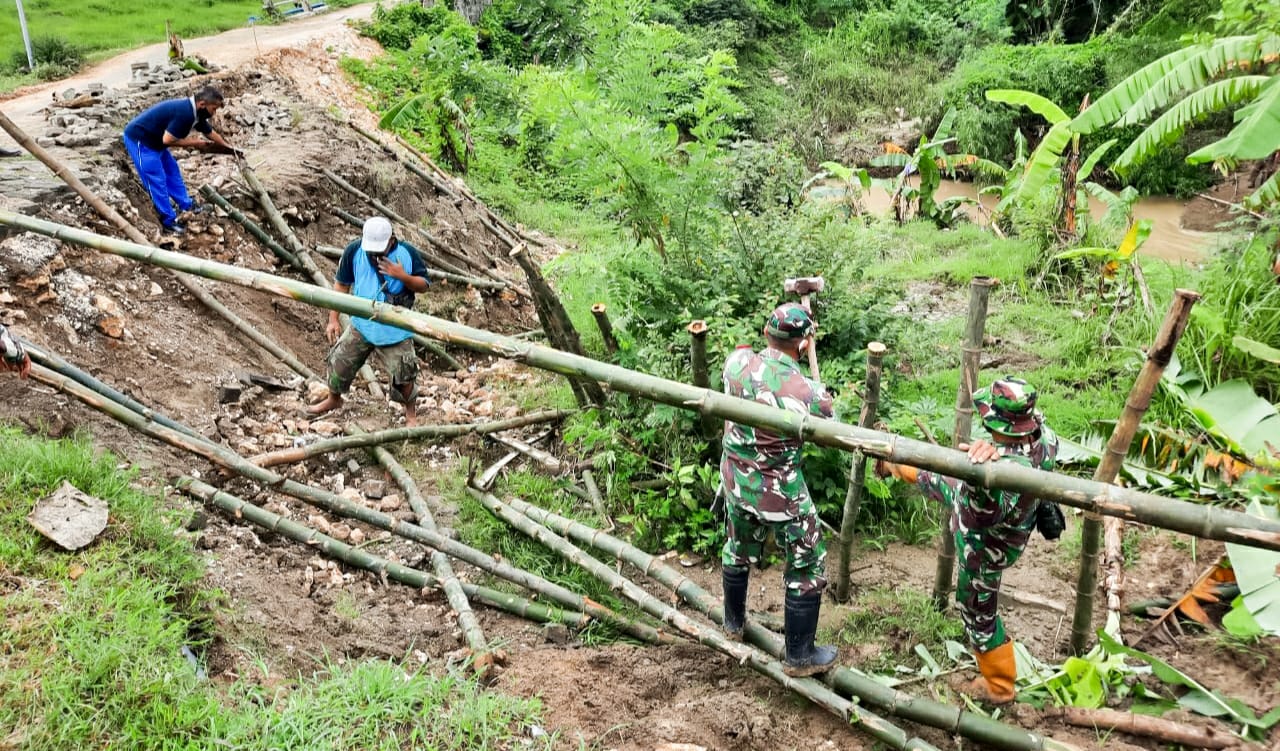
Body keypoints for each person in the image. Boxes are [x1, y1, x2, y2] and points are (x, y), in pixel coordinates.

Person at [875, 377, 1059, 704]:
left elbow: (981, 516)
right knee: (936, 477)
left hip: (988, 547)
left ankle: (1000, 688)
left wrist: (980, 476)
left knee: (977, 612)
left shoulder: (1007, 472)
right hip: (1014, 528)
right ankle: (893, 463)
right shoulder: (1045, 439)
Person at [719, 302, 838, 677]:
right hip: (779, 492)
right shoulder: (807, 393)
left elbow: (751, 365)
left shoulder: (735, 364)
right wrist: (811, 358)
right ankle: (799, 655)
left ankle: (733, 623)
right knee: (808, 559)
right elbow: (829, 417)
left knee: (737, 547)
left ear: (767, 334)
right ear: (803, 344)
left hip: (736, 480)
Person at [308, 217, 430, 426]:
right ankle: (333, 399)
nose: (375, 253)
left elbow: (424, 285)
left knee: (405, 374)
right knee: (339, 362)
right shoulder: (354, 251)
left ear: (391, 240)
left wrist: (402, 276)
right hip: (362, 323)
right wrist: (333, 319)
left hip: (395, 329)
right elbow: (341, 285)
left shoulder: (406, 253)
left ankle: (411, 415)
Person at [122, 86, 238, 236]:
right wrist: (194, 143)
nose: (213, 113)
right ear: (202, 104)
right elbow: (168, 140)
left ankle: (186, 205)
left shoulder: (197, 114)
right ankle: (168, 221)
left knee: (172, 171)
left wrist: (229, 148)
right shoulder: (185, 114)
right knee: (156, 179)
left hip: (157, 142)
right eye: (213, 109)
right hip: (141, 141)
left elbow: (210, 133)